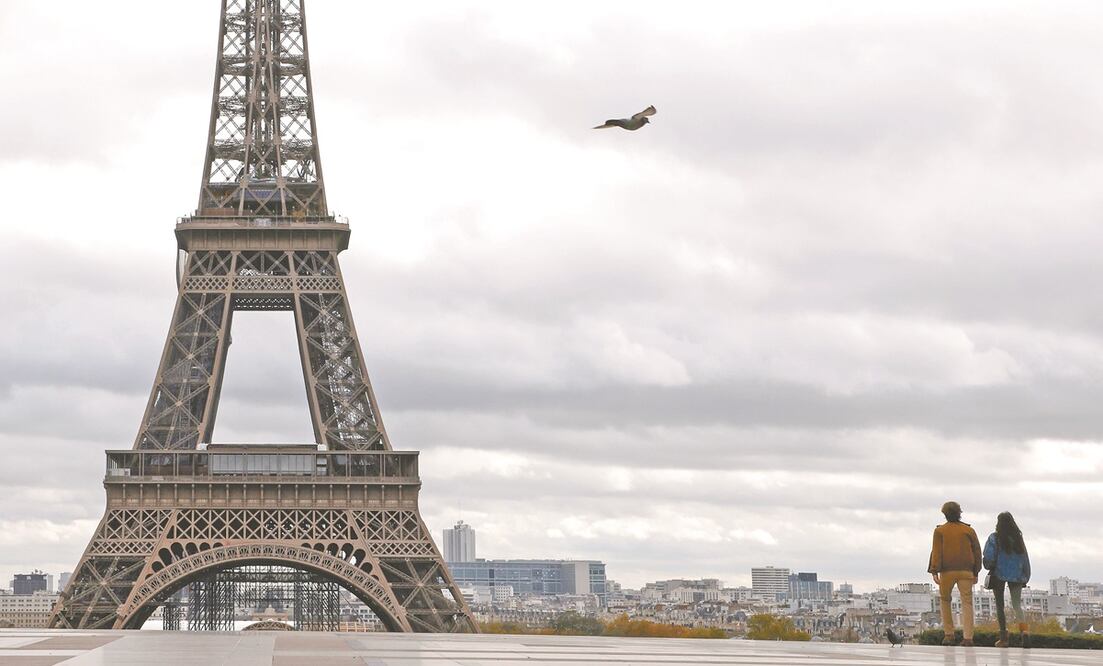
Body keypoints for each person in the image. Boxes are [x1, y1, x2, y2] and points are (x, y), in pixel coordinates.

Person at [927, 501, 982, 647]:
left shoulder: (940, 531)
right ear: (959, 513)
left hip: (947, 571)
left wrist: (934, 570)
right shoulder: (969, 530)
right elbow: (977, 551)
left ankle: (949, 635)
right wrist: (976, 571)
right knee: (967, 602)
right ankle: (968, 637)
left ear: (944, 514)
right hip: (966, 570)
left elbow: (936, 552)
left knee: (945, 601)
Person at [983, 512, 1031, 648]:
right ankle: (1024, 631)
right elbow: (1025, 558)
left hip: (998, 574)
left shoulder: (994, 538)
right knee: (1017, 606)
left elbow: (988, 556)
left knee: (1000, 606)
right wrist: (1025, 575)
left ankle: (1004, 638)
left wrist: (988, 566)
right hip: (1017, 575)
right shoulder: (1018, 538)